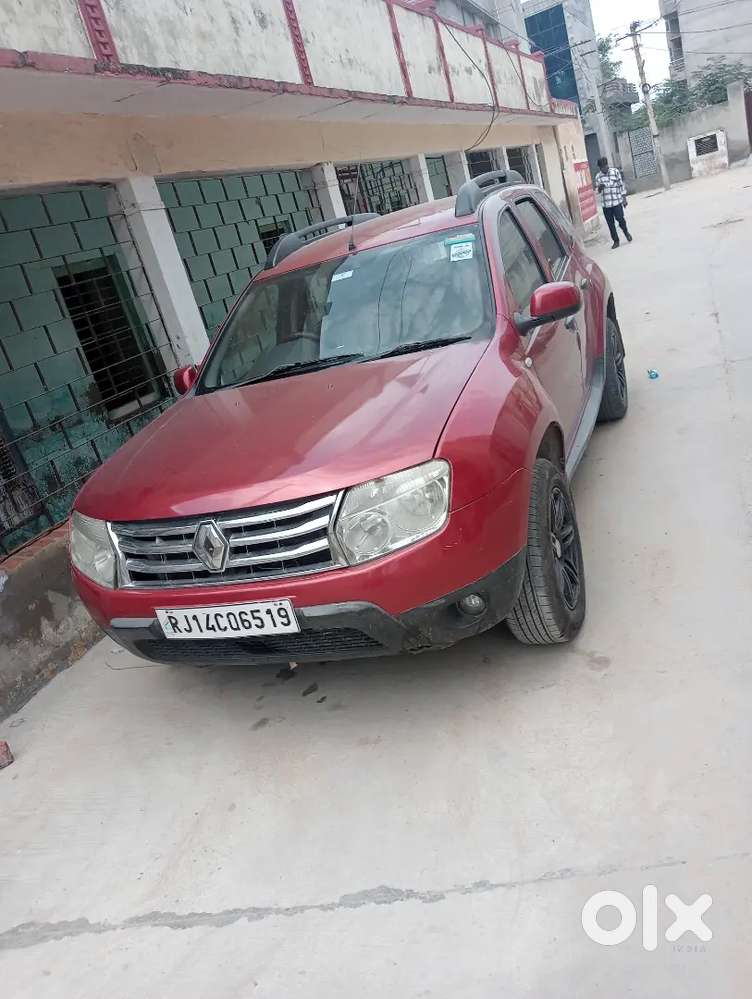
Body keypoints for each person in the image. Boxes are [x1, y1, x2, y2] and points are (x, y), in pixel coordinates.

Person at [594, 157, 633, 249]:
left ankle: (626, 232)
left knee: (620, 219)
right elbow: (597, 191)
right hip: (606, 205)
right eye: (602, 167)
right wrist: (599, 189)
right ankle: (616, 241)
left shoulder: (615, 172)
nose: (604, 168)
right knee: (610, 224)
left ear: (607, 165)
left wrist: (624, 199)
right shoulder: (598, 177)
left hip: (616, 201)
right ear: (600, 168)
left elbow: (621, 185)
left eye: (605, 166)